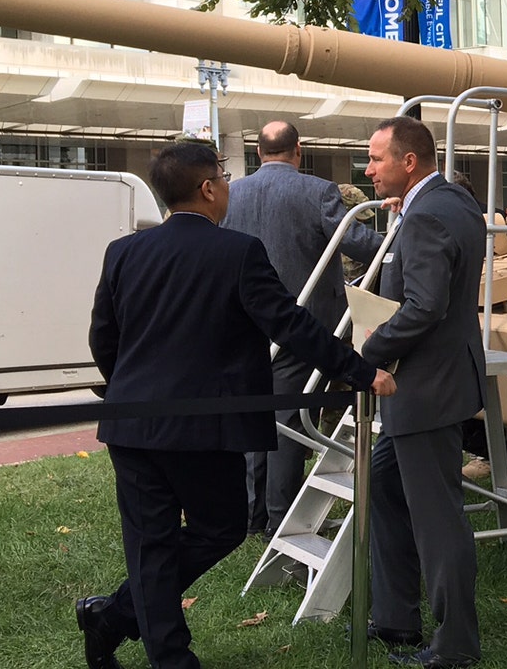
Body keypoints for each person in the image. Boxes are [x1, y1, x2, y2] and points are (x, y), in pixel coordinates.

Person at [74, 141, 395, 669]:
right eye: (222, 177)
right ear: (207, 188)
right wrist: (362, 372)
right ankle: (163, 652)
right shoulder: (238, 252)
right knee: (219, 529)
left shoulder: (123, 251)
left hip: (132, 425)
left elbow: (102, 339)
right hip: (203, 431)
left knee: (153, 546)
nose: (227, 186)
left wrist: (131, 389)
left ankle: (112, 616)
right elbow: (289, 327)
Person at [361, 116, 489, 668]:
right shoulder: (452, 201)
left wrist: (366, 351)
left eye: (375, 159)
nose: (368, 170)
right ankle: (395, 618)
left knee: (439, 522)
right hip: (443, 380)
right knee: (382, 485)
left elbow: (424, 306)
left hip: (426, 388)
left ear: (408, 162)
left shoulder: (428, 214)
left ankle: (455, 647)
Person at [225, 120, 385, 540]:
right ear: (298, 150)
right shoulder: (318, 192)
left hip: (245, 324)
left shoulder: (231, 194)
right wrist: (398, 232)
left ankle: (250, 516)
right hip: (303, 325)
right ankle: (281, 520)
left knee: (253, 420)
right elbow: (359, 244)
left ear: (258, 153)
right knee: (291, 421)